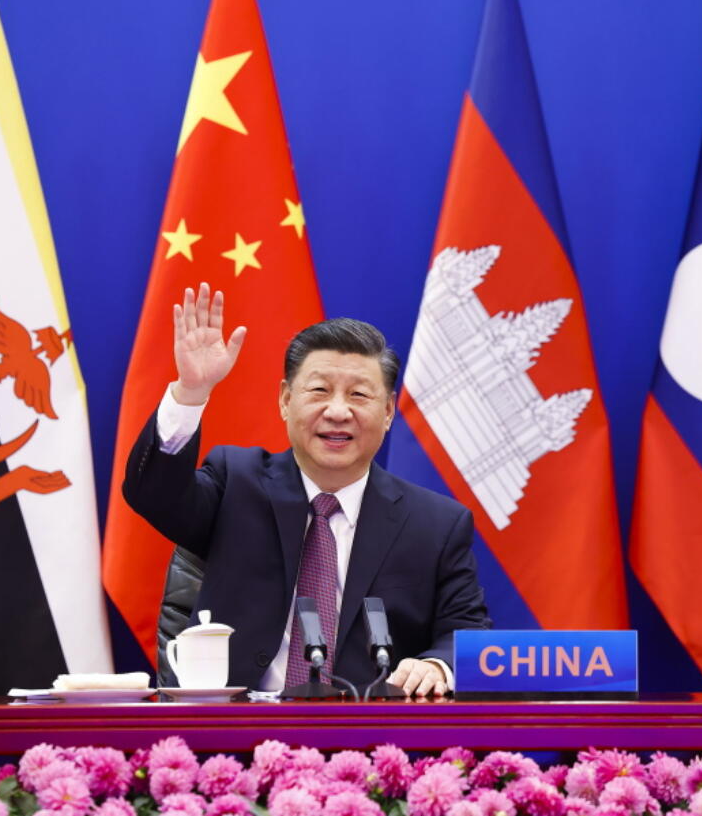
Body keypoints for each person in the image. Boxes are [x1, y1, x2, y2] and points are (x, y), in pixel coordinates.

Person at [123, 282, 490, 696]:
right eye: (319, 391)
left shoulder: (435, 523)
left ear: (387, 412)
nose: (337, 411)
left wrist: (438, 665)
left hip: (369, 741)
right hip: (236, 736)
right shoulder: (235, 482)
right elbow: (152, 493)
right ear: (284, 400)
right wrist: (191, 393)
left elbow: (466, 632)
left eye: (359, 395)